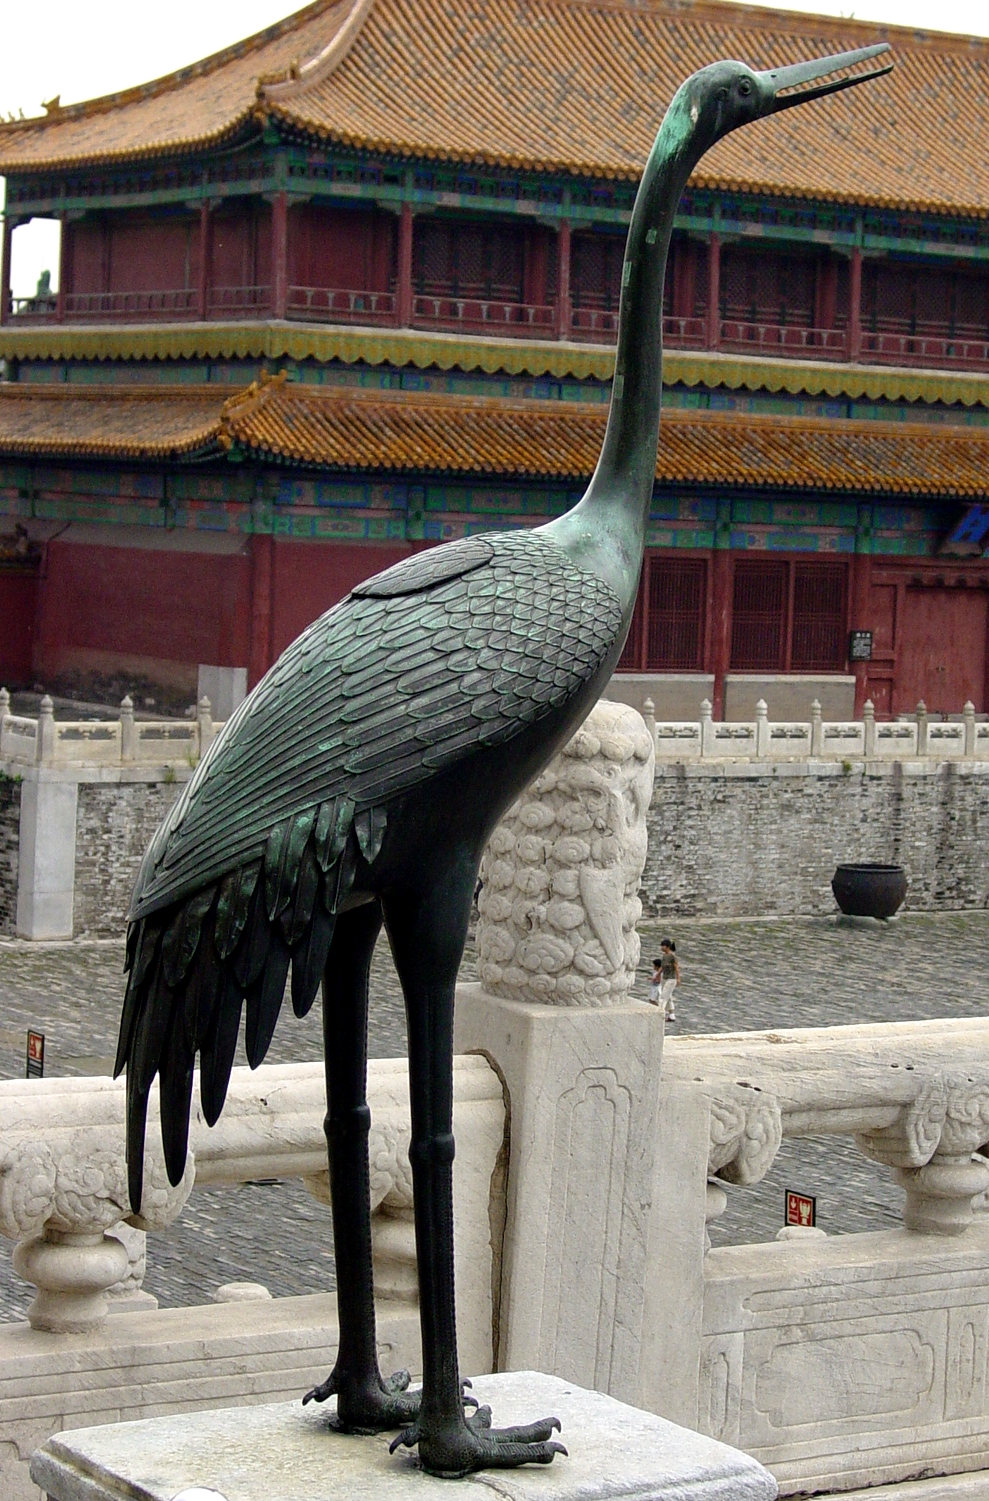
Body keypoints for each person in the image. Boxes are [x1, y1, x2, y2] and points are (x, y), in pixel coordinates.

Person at [656, 939, 680, 1022]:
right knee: (668, 997)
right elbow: (662, 967)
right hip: (665, 978)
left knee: (663, 997)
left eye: (663, 946)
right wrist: (657, 975)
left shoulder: (672, 956)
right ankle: (671, 1015)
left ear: (668, 947)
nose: (662, 947)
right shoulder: (664, 956)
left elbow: (676, 967)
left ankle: (660, 1013)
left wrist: (678, 978)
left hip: (671, 979)